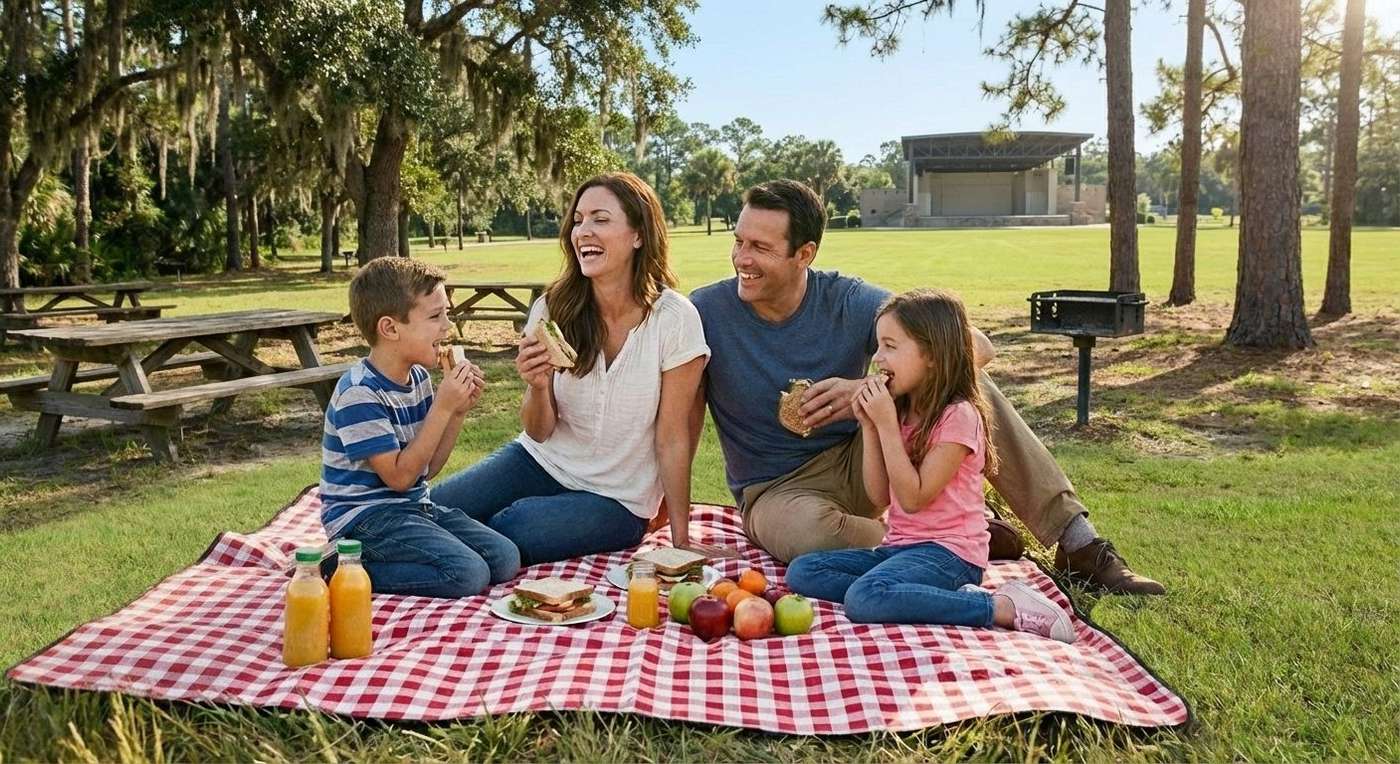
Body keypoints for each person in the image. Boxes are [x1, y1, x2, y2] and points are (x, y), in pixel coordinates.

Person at [689, 179, 1164, 595]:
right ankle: (954, 538)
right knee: (809, 535)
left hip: (871, 459)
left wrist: (866, 390)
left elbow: (974, 345)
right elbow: (672, 418)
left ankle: (1079, 543)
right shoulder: (706, 312)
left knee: (969, 382)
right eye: (738, 242)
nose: (741, 260)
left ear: (804, 254)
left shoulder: (848, 299)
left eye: (760, 248)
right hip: (776, 491)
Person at [432, 172, 713, 565]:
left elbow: (673, 436)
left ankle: (445, 550)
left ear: (638, 235)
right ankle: (358, 559)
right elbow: (538, 431)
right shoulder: (552, 308)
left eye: (600, 219)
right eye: (578, 220)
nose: (583, 232)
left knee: (511, 528)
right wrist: (538, 385)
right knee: (431, 509)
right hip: (539, 459)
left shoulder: (674, 318)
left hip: (616, 500)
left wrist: (679, 537)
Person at [786, 289, 1075, 642]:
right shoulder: (903, 410)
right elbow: (880, 495)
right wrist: (869, 426)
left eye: (890, 346)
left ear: (933, 356)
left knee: (865, 599)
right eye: (879, 346)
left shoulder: (958, 417)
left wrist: (887, 425)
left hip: (951, 554)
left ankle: (998, 607)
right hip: (901, 548)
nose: (878, 359)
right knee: (803, 572)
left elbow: (913, 498)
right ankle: (929, 598)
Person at [318, 257, 520, 598]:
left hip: (412, 507)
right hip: (365, 521)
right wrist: (442, 406)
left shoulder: (418, 379)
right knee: (467, 574)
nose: (447, 327)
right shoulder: (359, 393)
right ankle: (340, 569)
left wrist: (456, 413)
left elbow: (426, 469)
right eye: (435, 316)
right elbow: (398, 478)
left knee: (504, 559)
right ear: (391, 328)